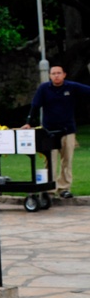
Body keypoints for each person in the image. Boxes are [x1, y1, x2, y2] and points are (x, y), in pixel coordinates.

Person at [22, 65, 90, 199]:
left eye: (59, 73)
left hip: (67, 130)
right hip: (49, 132)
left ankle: (64, 188)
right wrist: (29, 122)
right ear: (49, 75)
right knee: (50, 161)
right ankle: (49, 188)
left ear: (64, 74)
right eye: (53, 73)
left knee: (67, 160)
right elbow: (35, 106)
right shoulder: (44, 89)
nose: (56, 76)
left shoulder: (71, 87)